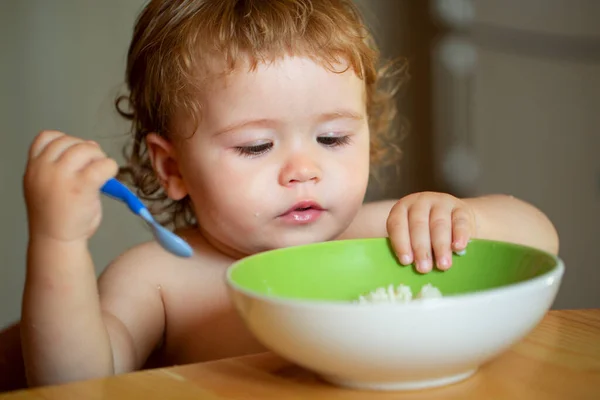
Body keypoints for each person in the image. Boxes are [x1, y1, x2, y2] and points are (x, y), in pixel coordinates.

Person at [17, 0, 559, 389]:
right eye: (256, 146)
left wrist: (453, 216)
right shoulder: (157, 279)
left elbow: (540, 239)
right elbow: (76, 382)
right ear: (172, 166)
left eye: (332, 138)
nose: (304, 170)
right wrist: (57, 241)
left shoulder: (382, 234)